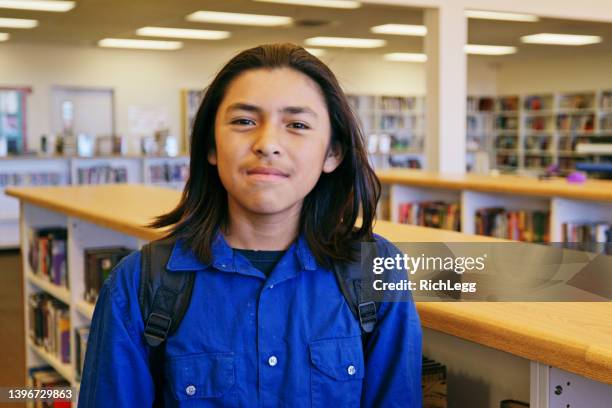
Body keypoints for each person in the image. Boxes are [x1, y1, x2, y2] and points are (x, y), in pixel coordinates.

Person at [78, 43, 422, 407]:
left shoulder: (378, 272)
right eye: (244, 121)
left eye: (298, 125)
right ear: (211, 146)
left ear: (333, 153)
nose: (267, 143)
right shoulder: (138, 283)